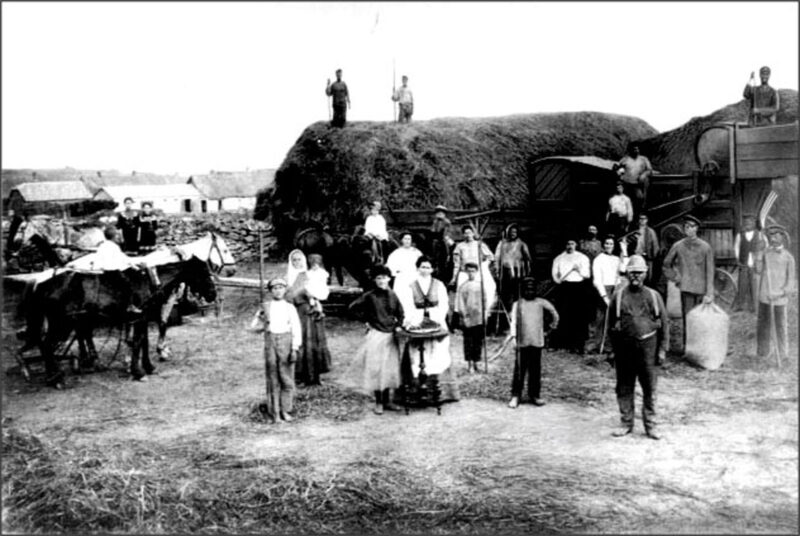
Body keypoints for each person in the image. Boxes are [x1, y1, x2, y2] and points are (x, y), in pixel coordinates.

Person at [607, 255, 668, 440]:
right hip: (624, 347)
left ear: (645, 274)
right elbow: (609, 326)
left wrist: (663, 349)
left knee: (650, 388)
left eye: (639, 273)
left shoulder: (654, 296)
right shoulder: (618, 296)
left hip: (648, 347)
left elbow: (664, 325)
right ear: (627, 273)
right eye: (632, 272)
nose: (636, 276)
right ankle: (626, 422)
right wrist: (611, 350)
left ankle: (650, 426)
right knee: (624, 386)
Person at [347, 264, 405, 414]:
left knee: (389, 368)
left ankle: (388, 401)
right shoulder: (370, 295)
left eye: (384, 277)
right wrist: (367, 320)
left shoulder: (393, 295)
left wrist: (398, 325)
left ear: (389, 278)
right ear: (374, 280)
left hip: (390, 335)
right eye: (378, 278)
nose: (381, 281)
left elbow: (400, 313)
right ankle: (378, 402)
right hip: (376, 335)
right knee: (377, 369)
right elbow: (352, 308)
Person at [249, 278, 302, 424]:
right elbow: (253, 328)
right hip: (271, 342)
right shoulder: (266, 306)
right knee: (273, 378)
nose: (278, 291)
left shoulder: (289, 307)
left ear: (285, 290)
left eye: (281, 287)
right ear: (270, 291)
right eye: (275, 288)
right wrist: (259, 317)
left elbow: (296, 328)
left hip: (286, 342)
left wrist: (294, 348)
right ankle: (275, 412)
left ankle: (286, 410)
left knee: (286, 378)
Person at [662, 215, 715, 351]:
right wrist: (675, 277)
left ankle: (702, 349)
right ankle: (689, 349)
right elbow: (666, 264)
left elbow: (710, 271)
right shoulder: (678, 246)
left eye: (692, 226)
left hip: (702, 290)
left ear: (697, 228)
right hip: (686, 289)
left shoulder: (705, 247)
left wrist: (709, 293)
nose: (689, 229)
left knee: (702, 320)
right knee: (688, 319)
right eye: (686, 226)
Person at [396, 256, 453, 379]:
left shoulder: (439, 284)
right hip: (417, 318)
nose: (425, 270)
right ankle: (417, 375)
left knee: (438, 347)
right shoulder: (411, 285)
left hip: (436, 317)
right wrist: (412, 320)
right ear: (418, 268)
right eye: (422, 267)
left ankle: (435, 375)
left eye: (428, 267)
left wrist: (437, 318)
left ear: (432, 269)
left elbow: (444, 303)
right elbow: (407, 304)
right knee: (417, 348)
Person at [507, 277, 559, 409]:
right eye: (527, 289)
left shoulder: (541, 302)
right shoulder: (517, 304)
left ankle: (534, 394)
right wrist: (513, 337)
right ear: (522, 290)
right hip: (522, 342)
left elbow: (554, 314)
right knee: (519, 370)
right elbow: (513, 322)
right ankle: (516, 395)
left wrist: (551, 328)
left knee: (535, 370)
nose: (529, 292)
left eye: (532, 289)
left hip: (537, 341)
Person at [285, 249, 332, 386]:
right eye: (294, 260)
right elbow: (287, 296)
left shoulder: (310, 275)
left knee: (314, 342)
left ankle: (315, 375)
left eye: (299, 259)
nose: (297, 262)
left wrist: (314, 299)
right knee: (299, 343)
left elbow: (321, 292)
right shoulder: (287, 278)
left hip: (311, 312)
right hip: (296, 312)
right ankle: (300, 376)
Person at [755, 225, 795, 359]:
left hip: (779, 299)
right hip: (764, 297)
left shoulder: (788, 258)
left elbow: (790, 284)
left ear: (783, 237)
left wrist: (778, 294)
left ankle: (782, 354)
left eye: (777, 235)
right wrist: (759, 257)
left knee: (780, 327)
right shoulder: (765, 254)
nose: (774, 238)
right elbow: (758, 270)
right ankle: (762, 353)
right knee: (763, 326)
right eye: (771, 236)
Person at [550, 237, 591, 354]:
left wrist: (578, 270)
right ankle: (562, 343)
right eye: (568, 243)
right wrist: (558, 280)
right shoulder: (559, 258)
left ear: (576, 244)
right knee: (563, 314)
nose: (570, 246)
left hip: (579, 288)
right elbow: (555, 275)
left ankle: (578, 345)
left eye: (572, 243)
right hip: (564, 288)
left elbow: (587, 275)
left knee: (578, 316)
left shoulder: (582, 258)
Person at [587, 236, 626, 353]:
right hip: (603, 289)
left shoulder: (616, 259)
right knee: (600, 318)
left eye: (611, 244)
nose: (609, 246)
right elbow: (597, 280)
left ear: (614, 246)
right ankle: (597, 344)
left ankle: (610, 345)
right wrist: (604, 296)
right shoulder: (599, 259)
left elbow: (623, 270)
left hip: (615, 288)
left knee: (613, 318)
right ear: (604, 245)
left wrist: (624, 250)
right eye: (607, 243)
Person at [493, 223, 532, 333]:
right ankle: (505, 324)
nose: (512, 234)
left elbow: (528, 259)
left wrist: (525, 271)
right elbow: (496, 258)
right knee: (505, 298)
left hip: (517, 274)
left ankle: (518, 323)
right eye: (511, 232)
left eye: (515, 232)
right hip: (504, 274)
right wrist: (497, 271)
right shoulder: (502, 243)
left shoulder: (521, 244)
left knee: (517, 297)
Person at [450, 225, 496, 316]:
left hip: (477, 272)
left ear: (473, 233)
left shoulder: (479, 244)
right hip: (464, 272)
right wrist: (454, 277)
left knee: (482, 290)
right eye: (465, 233)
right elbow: (457, 264)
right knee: (461, 291)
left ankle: (481, 313)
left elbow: (491, 257)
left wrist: (484, 265)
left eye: (470, 232)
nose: (468, 235)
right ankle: (460, 316)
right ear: (463, 235)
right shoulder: (460, 246)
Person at [455, 262, 490, 373]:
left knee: (478, 341)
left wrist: (485, 313)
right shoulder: (463, 287)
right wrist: (464, 315)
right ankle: (470, 364)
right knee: (468, 341)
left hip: (479, 317)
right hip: (468, 318)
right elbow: (460, 303)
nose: (471, 273)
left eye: (473, 271)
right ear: (466, 272)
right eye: (469, 271)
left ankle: (476, 363)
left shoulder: (481, 285)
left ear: (476, 272)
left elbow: (485, 301)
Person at [732, 214, 765, 313]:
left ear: (754, 223)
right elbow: (736, 248)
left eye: (750, 222)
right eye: (746, 222)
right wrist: (739, 259)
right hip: (744, 264)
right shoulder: (740, 235)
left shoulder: (759, 234)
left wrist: (760, 260)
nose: (748, 224)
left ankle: (755, 307)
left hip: (755, 265)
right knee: (742, 285)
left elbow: (764, 247)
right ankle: (740, 306)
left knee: (754, 287)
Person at [614, 142, 652, 215]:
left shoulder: (644, 159)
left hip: (637, 185)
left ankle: (637, 218)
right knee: (624, 203)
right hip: (625, 185)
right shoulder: (625, 159)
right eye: (634, 149)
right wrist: (618, 172)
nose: (636, 150)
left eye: (637, 149)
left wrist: (644, 175)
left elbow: (649, 170)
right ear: (630, 150)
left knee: (639, 200)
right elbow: (617, 168)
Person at [631, 212, 660, 284]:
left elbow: (655, 245)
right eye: (640, 219)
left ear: (647, 220)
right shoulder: (634, 230)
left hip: (646, 256)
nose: (642, 220)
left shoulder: (650, 231)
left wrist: (652, 255)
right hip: (635, 256)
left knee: (647, 276)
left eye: (644, 219)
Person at [429, 205, 453, 280]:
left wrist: (446, 237)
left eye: (441, 213)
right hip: (436, 238)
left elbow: (448, 231)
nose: (439, 214)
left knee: (448, 245)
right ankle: (433, 259)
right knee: (432, 244)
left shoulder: (447, 222)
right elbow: (432, 230)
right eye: (438, 213)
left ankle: (448, 257)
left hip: (444, 237)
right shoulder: (435, 221)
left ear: (444, 214)